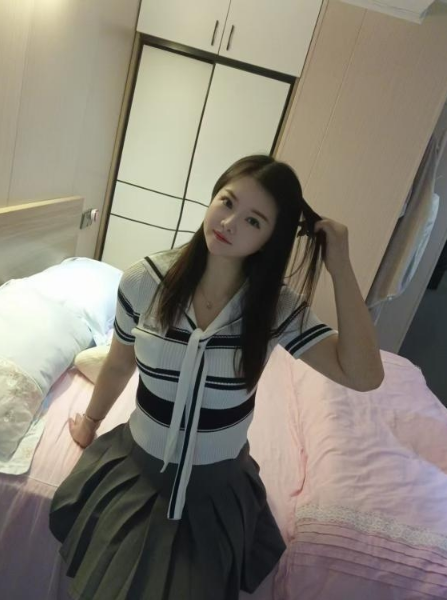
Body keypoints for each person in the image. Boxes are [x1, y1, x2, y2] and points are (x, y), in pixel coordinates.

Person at [49, 154, 383, 600]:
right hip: (138, 470)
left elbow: (363, 375)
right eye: (226, 202)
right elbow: (119, 363)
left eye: (253, 220)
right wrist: (90, 422)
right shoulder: (144, 281)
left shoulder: (275, 308)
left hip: (217, 486)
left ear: (269, 238)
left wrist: (340, 267)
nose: (229, 223)